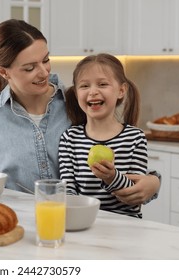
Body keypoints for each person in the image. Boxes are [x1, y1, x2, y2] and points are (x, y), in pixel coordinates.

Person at [0, 19, 160, 205]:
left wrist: (153, 182)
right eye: (30, 67)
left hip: (84, 224)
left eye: (45, 60)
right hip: (23, 227)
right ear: (4, 72)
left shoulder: (78, 102)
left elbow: (121, 147)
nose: (43, 72)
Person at [59, 53, 148, 218]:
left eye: (102, 84)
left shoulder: (135, 138)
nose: (93, 91)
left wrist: (112, 177)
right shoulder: (69, 138)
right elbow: (68, 190)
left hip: (126, 227)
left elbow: (135, 196)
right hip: (84, 221)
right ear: (76, 92)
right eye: (84, 86)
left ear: (121, 90)